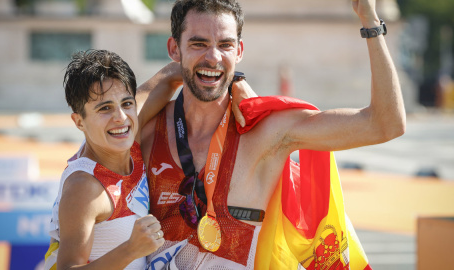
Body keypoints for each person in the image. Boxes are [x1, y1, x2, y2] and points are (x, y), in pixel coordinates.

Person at [140, 0, 406, 269]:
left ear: (240, 50)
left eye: (225, 45)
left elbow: (386, 124)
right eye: (198, 44)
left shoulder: (268, 132)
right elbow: (100, 128)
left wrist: (370, 21)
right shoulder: (149, 130)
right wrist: (170, 74)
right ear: (174, 48)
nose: (214, 57)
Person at [44, 49, 183, 270]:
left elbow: (171, 75)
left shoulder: (127, 138)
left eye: (127, 104)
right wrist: (130, 249)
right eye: (105, 108)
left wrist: (238, 86)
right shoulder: (84, 187)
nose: (121, 117)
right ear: (79, 122)